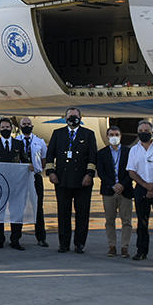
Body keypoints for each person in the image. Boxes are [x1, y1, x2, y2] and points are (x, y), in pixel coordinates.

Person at [44, 107, 99, 253]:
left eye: (75, 116)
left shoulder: (88, 134)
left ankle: (79, 243)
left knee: (82, 214)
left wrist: (89, 174)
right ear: (65, 117)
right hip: (62, 180)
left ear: (81, 118)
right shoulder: (58, 133)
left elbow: (92, 157)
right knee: (63, 213)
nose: (72, 118)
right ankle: (64, 243)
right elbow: (50, 155)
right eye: (70, 116)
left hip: (83, 181)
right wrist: (51, 172)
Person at [0, 117, 28, 250]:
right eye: (3, 127)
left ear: (11, 128)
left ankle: (15, 240)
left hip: (15, 184)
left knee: (16, 212)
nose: (5, 129)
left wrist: (29, 166)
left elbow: (24, 160)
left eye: (7, 127)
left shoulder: (18, 144)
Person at [126, 120, 153, 262]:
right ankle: (141, 251)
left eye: (146, 131)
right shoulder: (134, 150)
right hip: (141, 188)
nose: (143, 133)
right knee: (142, 223)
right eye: (141, 131)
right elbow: (131, 171)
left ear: (152, 133)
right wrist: (146, 185)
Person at [96, 125, 135, 257]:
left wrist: (122, 184)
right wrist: (113, 185)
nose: (114, 137)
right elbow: (101, 172)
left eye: (116, 135)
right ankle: (111, 245)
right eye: (111, 135)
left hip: (125, 190)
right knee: (109, 220)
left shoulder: (129, 152)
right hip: (109, 191)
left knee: (126, 221)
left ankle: (125, 247)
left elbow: (132, 170)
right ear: (107, 137)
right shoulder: (101, 153)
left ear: (121, 136)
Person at [16, 117, 49, 247]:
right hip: (20, 178)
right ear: (20, 127)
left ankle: (41, 237)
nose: (26, 126)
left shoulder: (39, 142)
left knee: (38, 207)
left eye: (28, 124)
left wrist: (37, 169)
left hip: (35, 177)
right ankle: (16, 238)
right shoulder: (16, 141)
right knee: (18, 207)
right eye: (24, 124)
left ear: (32, 126)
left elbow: (44, 159)